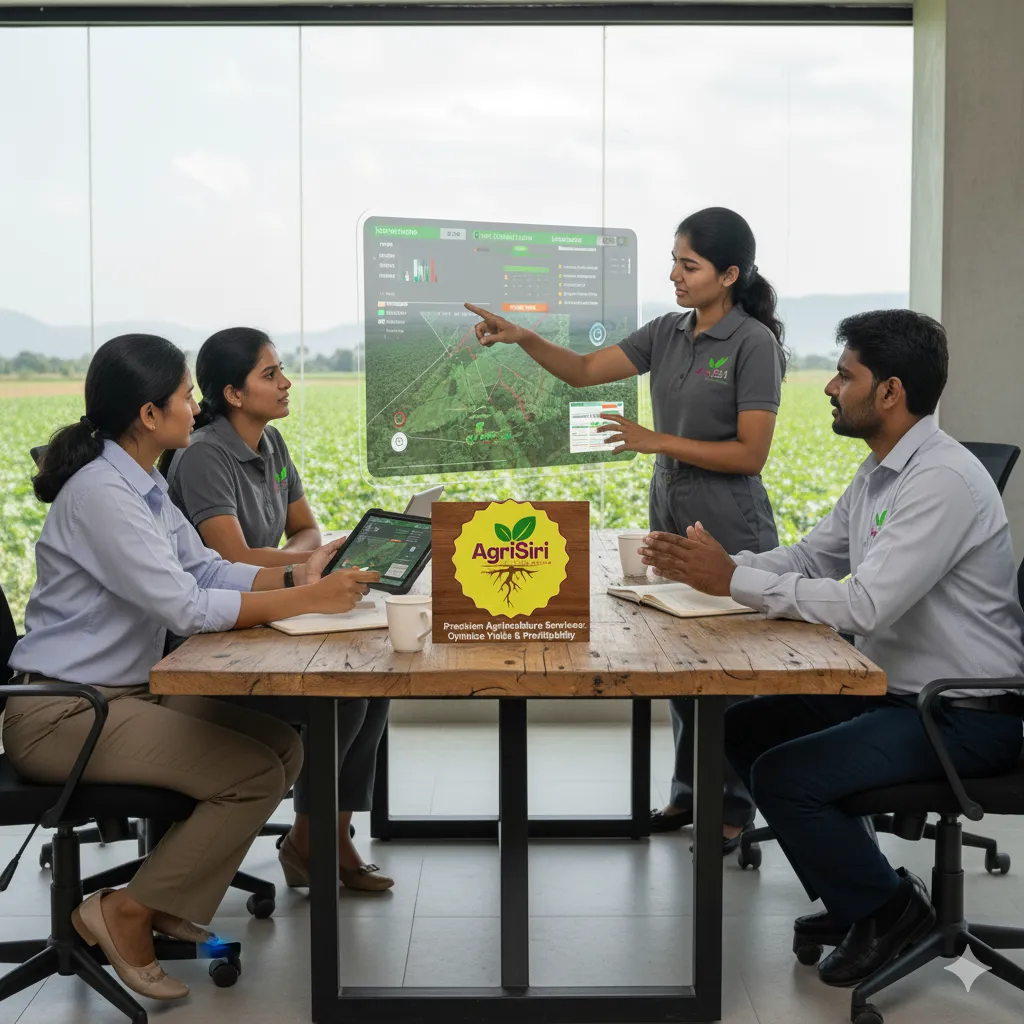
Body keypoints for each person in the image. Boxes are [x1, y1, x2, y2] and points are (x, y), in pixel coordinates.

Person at [639, 309, 1024, 986]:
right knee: (743, 730)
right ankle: (865, 894)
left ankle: (888, 910)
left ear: (889, 393)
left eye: (844, 375)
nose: (829, 386)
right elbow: (811, 558)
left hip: (960, 714)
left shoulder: (941, 481)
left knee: (788, 777)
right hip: (894, 692)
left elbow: (866, 603)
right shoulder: (880, 474)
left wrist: (735, 581)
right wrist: (719, 569)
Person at [3, 334, 376, 1003]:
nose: (195, 405)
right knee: (251, 772)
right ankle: (122, 912)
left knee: (283, 745)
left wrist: (299, 570)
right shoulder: (102, 496)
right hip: (64, 714)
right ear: (149, 415)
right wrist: (306, 596)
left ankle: (169, 904)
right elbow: (184, 603)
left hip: (123, 697)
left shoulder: (142, 481)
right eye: (184, 395)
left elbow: (202, 565)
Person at [466, 207, 787, 851]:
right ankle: (689, 794)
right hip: (669, 504)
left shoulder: (754, 344)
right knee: (678, 657)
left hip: (728, 520)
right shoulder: (667, 332)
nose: (674, 274)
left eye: (688, 265)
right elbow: (585, 370)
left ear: (729, 275)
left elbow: (750, 454)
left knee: (724, 665)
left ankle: (730, 807)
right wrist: (522, 337)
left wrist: (651, 439)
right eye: (673, 260)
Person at [164, 327, 392, 892]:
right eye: (270, 374)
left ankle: (326, 835)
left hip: (267, 611)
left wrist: (300, 564)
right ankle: (312, 840)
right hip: (210, 639)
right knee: (344, 694)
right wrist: (302, 567)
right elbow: (230, 556)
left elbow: (305, 528)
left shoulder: (271, 445)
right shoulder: (205, 456)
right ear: (233, 394)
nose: (286, 382)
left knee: (374, 680)